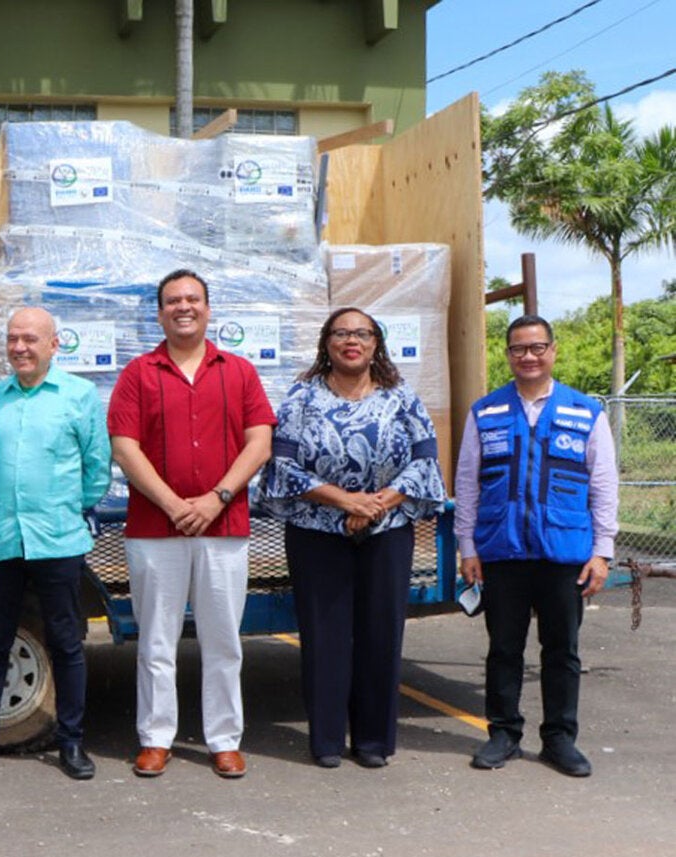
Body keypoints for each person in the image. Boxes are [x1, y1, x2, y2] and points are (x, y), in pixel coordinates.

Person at [258, 307, 445, 769]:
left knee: (381, 633)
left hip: (387, 528)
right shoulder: (302, 398)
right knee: (325, 636)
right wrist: (345, 502)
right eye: (341, 333)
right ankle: (325, 740)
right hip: (317, 531)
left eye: (361, 333)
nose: (351, 341)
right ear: (326, 343)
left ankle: (374, 741)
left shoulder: (401, 398)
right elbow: (282, 465)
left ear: (376, 343)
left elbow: (425, 459)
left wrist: (377, 504)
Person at [107, 269, 275, 779]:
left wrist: (216, 498)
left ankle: (224, 739)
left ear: (208, 308)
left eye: (193, 299)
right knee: (156, 639)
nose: (184, 307)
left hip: (223, 528)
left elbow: (260, 441)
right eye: (173, 301)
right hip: (155, 530)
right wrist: (174, 503)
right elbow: (124, 446)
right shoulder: (138, 373)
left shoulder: (239, 371)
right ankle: (156, 738)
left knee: (223, 639)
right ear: (159, 313)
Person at [457, 314, 617, 777]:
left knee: (562, 650)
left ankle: (560, 739)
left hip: (564, 554)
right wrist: (468, 546)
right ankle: (503, 735)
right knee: (503, 649)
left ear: (553, 351)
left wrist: (602, 552)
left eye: (537, 347)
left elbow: (603, 485)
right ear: (507, 355)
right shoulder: (484, 412)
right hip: (502, 552)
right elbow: (467, 483)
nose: (528, 356)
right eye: (518, 349)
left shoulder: (586, 411)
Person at [0, 307, 112, 780]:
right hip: (2, 540)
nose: (19, 348)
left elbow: (96, 469)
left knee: (66, 643)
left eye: (30, 339)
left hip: (58, 541)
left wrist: (65, 511)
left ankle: (71, 743)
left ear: (54, 345)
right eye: (12, 339)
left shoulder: (79, 396)